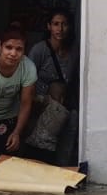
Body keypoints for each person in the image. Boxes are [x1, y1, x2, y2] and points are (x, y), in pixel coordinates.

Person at [26, 8, 79, 166]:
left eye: (64, 24)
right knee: (42, 147)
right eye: (56, 24)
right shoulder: (40, 49)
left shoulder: (74, 51)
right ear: (49, 26)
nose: (60, 29)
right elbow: (28, 79)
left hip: (66, 106)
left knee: (67, 143)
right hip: (43, 107)